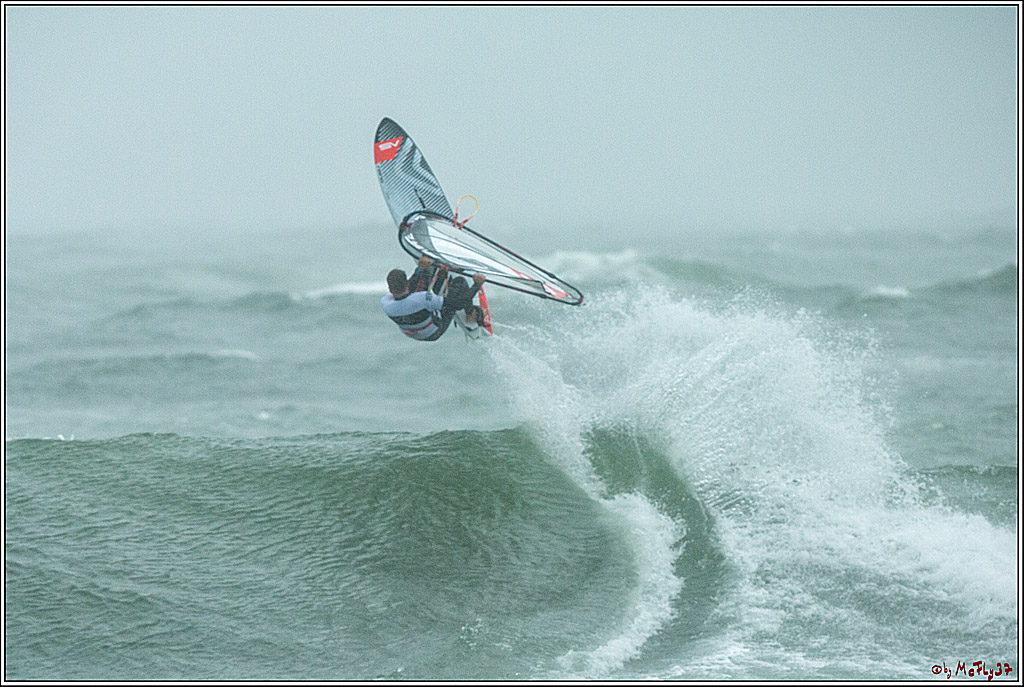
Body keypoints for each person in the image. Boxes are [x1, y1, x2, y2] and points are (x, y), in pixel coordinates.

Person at [382, 256, 486, 341]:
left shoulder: (386, 303)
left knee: (427, 271)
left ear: (390, 289)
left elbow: (410, 291)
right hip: (434, 332)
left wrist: (420, 269)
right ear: (406, 283)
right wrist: (477, 284)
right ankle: (470, 314)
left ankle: (439, 274)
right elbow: (458, 304)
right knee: (459, 282)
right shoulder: (422, 299)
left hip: (414, 332)